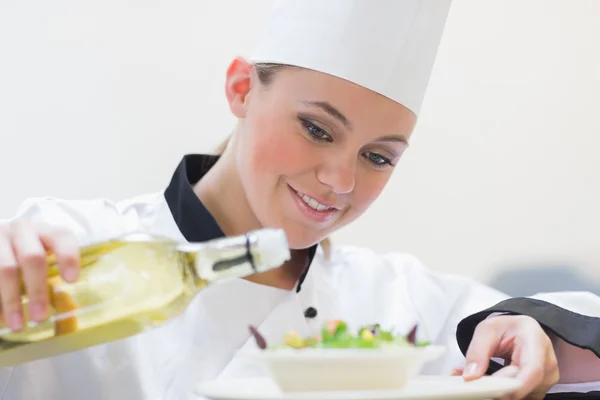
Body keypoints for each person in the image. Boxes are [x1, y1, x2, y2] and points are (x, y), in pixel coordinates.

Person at [1, 0, 599, 399]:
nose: (340, 181)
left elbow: (568, 336)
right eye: (316, 129)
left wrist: (529, 329)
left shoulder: (399, 304)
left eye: (378, 156)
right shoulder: (70, 251)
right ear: (241, 88)